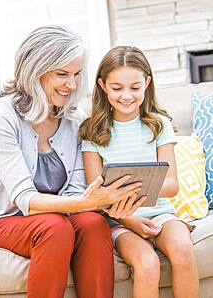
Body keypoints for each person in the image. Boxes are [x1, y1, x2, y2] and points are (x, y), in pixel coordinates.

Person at [0, 28, 144, 298]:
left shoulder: (73, 119)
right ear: (35, 71)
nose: (71, 85)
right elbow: (25, 199)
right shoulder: (1, 117)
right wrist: (89, 202)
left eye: (76, 74)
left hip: (57, 218)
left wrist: (103, 203)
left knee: (93, 224)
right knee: (55, 226)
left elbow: (74, 192)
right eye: (62, 74)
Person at [79, 46, 199, 298]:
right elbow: (95, 196)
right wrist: (129, 218)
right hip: (120, 222)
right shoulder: (92, 131)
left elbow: (171, 185)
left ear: (147, 83)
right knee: (147, 264)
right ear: (102, 85)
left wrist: (126, 190)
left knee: (183, 251)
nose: (126, 96)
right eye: (117, 88)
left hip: (162, 215)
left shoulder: (158, 125)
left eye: (135, 88)